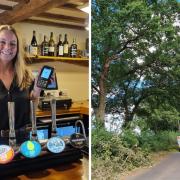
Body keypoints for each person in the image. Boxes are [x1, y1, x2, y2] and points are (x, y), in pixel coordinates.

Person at [0, 25, 41, 139]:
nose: (7, 47)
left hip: (23, 140)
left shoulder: (26, 75)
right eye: (2, 42)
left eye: (13, 44)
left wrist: (37, 90)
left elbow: (32, 108)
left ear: (18, 48)